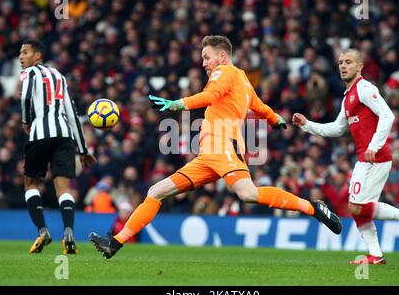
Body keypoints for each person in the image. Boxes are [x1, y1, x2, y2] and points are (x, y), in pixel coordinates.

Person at [89, 35, 342, 258]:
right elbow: (259, 106)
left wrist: (178, 104)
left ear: (222, 56)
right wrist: (275, 119)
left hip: (223, 146)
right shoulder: (242, 80)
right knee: (156, 191)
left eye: (206, 57)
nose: (203, 63)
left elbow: (210, 96)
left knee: (248, 194)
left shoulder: (225, 72)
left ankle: (313, 208)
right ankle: (116, 242)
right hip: (207, 156)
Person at [292, 49, 399, 265]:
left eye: (348, 62)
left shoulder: (364, 88)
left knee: (357, 207)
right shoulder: (348, 98)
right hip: (364, 159)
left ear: (359, 66)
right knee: (356, 208)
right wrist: (307, 125)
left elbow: (387, 116)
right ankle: (375, 254)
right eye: (341, 62)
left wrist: (374, 146)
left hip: (377, 157)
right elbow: (337, 128)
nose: (343, 66)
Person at [19, 39, 96, 254]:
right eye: (20, 53)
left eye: (25, 52)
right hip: (63, 135)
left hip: (40, 134)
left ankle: (42, 231)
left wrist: (25, 120)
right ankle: (69, 232)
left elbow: (25, 97)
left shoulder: (29, 74)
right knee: (64, 188)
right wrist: (83, 150)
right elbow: (72, 114)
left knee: (31, 183)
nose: (21, 57)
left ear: (37, 56)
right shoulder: (60, 77)